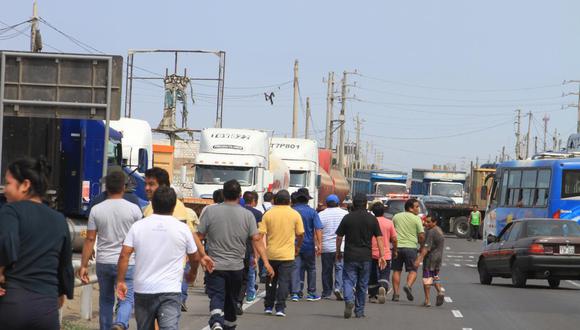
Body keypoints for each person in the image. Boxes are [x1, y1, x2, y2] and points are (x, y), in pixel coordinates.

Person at [116, 186, 209, 330]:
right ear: (174, 205)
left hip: (143, 290)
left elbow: (124, 255)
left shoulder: (138, 226)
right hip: (170, 290)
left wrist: (121, 280)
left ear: (152, 203)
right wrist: (192, 273)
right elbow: (195, 257)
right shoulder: (182, 228)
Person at [0, 158, 74, 329]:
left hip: (13, 304)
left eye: (8, 183)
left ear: (25, 185)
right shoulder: (59, 219)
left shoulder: (11, 211)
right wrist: (61, 292)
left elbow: (6, 242)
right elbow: (65, 265)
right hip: (47, 308)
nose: (5, 190)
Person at [198, 181, 273, 330]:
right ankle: (228, 324)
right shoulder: (247, 215)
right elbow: (256, 240)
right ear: (240, 196)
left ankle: (217, 319)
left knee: (217, 295)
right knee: (231, 299)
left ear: (223, 194)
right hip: (236, 267)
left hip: (215, 265)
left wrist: (201, 255)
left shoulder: (210, 212)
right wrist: (265, 262)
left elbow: (198, 235)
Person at [78, 171, 143, 330]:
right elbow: (141, 238)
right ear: (124, 187)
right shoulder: (134, 209)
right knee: (126, 298)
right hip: (128, 262)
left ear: (106, 187)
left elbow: (90, 239)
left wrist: (84, 265)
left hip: (104, 262)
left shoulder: (96, 209)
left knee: (106, 300)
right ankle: (120, 323)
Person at [142, 167, 204, 312]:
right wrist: (203, 255)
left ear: (162, 187)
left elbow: (189, 234)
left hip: (159, 271)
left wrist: (201, 256)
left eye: (151, 184)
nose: (146, 188)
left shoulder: (157, 209)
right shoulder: (177, 206)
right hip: (166, 272)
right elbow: (191, 233)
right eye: (146, 184)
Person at [336, 193, 386, 319]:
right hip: (366, 257)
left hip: (350, 255)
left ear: (353, 203)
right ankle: (359, 311)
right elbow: (379, 238)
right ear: (366, 204)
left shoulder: (348, 218)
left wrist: (338, 251)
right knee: (362, 285)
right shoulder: (372, 219)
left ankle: (348, 300)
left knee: (347, 280)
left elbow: (339, 237)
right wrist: (382, 255)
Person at [259, 190, 304, 317]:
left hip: (271, 254)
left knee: (271, 281)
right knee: (284, 281)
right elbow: (301, 234)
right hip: (287, 255)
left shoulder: (268, 214)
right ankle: (280, 308)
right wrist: (297, 247)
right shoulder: (295, 214)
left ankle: (268, 306)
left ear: (275, 200)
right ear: (289, 201)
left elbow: (260, 234)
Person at [291, 188, 323, 302]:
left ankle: (295, 292)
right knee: (311, 269)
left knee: (295, 268)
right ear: (307, 199)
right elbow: (318, 228)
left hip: (294, 244)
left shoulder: (292, 211)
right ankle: (311, 292)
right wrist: (319, 244)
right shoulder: (312, 212)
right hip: (309, 244)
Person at [391, 198, 425, 302]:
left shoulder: (396, 217)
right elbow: (421, 235)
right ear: (410, 208)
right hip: (411, 248)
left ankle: (396, 294)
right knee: (413, 270)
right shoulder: (417, 219)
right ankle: (408, 285)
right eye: (417, 207)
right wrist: (421, 245)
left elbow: (392, 233)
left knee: (397, 270)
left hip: (397, 247)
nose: (418, 209)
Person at [236, 191, 264, 314]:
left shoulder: (238, 213)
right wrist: (258, 253)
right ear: (255, 201)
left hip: (237, 247)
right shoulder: (258, 214)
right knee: (250, 272)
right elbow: (258, 235)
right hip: (250, 246)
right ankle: (251, 293)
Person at [319, 194, 348, 300]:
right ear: (338, 203)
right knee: (340, 268)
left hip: (326, 246)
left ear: (327, 203)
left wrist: (318, 245)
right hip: (341, 246)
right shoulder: (345, 214)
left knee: (326, 270)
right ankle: (338, 288)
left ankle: (327, 292)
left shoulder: (321, 214)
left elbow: (318, 230)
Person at [368, 202, 398, 304]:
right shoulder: (389, 223)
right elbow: (394, 238)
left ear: (372, 211)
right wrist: (395, 249)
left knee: (372, 275)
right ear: (384, 211)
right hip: (385, 253)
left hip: (370, 253)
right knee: (384, 274)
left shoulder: (370, 221)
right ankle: (383, 287)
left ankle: (372, 295)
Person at [414, 215, 445, 307]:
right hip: (438, 258)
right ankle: (440, 291)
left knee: (427, 278)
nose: (426, 224)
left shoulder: (431, 232)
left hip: (431, 258)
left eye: (428, 222)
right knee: (434, 276)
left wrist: (419, 259)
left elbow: (426, 248)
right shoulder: (438, 230)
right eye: (425, 221)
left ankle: (427, 300)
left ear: (434, 222)